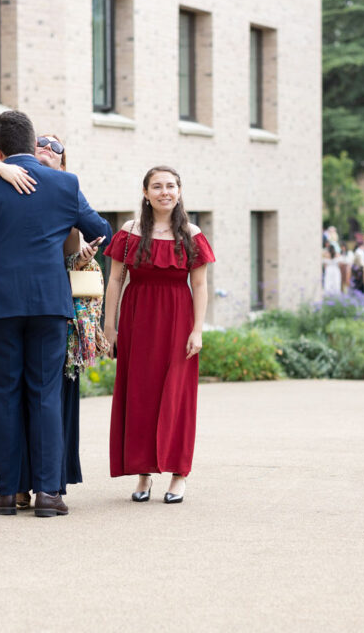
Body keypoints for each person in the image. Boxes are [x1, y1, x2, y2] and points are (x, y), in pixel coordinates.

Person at [0, 111, 112, 517]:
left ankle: (7, 492)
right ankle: (49, 496)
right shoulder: (65, 183)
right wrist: (78, 252)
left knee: (2, 396)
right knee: (45, 395)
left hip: (0, 304)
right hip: (49, 304)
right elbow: (99, 227)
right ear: (32, 141)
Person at [103, 166, 215, 504]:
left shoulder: (191, 234)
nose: (164, 191)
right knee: (140, 395)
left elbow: (199, 284)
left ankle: (179, 474)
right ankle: (143, 474)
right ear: (145, 192)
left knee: (177, 397)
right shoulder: (129, 231)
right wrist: (110, 327)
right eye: (157, 186)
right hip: (138, 321)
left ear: (180, 191)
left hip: (178, 322)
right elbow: (115, 281)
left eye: (170, 186)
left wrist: (197, 329)